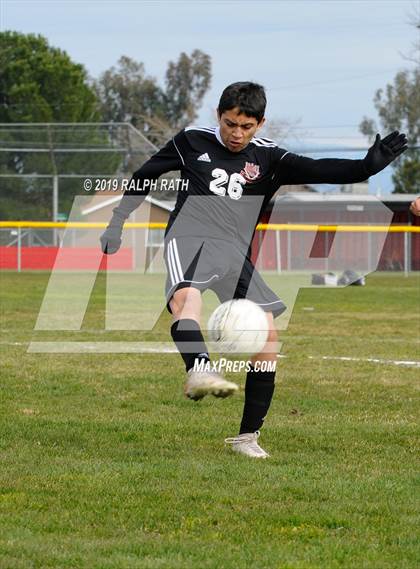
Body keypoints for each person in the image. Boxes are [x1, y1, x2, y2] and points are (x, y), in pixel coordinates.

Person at [100, 82, 407, 459]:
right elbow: (144, 176)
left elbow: (319, 168)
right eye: (230, 124)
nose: (237, 134)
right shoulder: (190, 141)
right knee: (187, 302)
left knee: (268, 339)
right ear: (219, 115)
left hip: (234, 253)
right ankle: (198, 369)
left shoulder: (269, 158)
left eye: (246, 126)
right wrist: (117, 221)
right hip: (190, 238)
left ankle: (246, 437)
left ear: (260, 123)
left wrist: (364, 166)